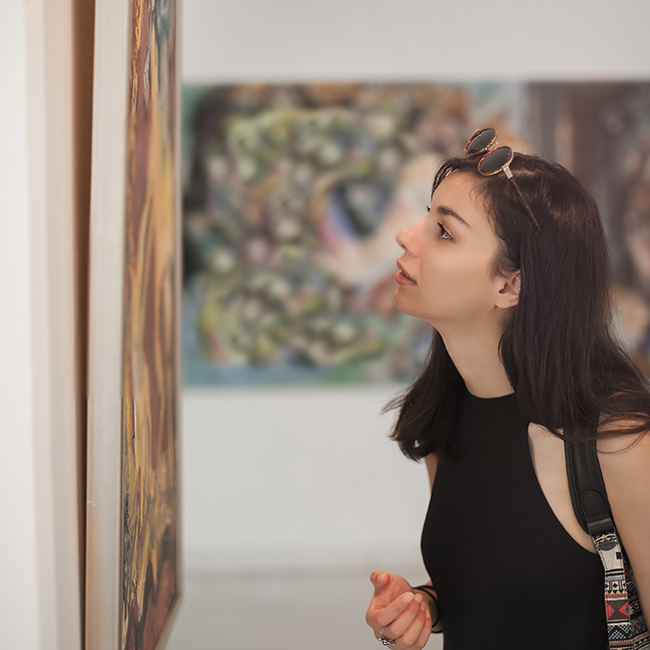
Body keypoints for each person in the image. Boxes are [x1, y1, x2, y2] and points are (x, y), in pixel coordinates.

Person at [365, 128, 650, 650]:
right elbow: (505, 591)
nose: (407, 236)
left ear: (510, 284)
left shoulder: (617, 439)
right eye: (428, 217)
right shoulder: (446, 414)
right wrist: (425, 605)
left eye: (444, 232)